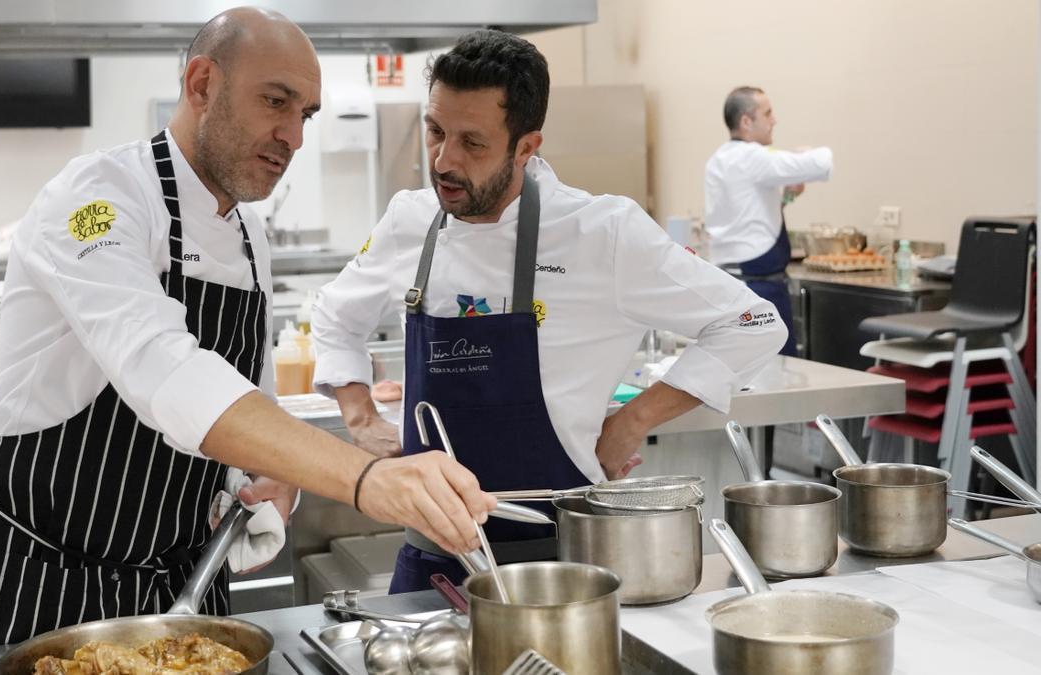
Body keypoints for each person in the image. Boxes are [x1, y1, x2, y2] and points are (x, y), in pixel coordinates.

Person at [0, 7, 495, 651]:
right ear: (202, 85)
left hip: (180, 584)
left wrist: (265, 476)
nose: (294, 136)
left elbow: (242, 398)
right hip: (40, 580)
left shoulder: (250, 234)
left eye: (305, 115)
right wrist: (364, 479)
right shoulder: (97, 200)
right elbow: (164, 370)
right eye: (275, 102)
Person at [311, 30, 787, 593]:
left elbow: (753, 323)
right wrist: (361, 416)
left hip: (563, 562)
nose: (444, 160)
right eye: (435, 131)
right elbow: (335, 316)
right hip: (432, 562)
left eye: (473, 142)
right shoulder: (410, 221)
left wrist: (632, 423)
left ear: (526, 146)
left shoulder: (602, 232)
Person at [703, 86, 833, 356]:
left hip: (731, 279)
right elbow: (819, 164)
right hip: (758, 286)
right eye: (768, 113)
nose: (774, 120)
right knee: (776, 369)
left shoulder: (719, 159)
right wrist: (805, 153)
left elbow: (750, 215)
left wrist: (785, 199)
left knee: (743, 366)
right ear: (746, 122)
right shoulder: (752, 157)